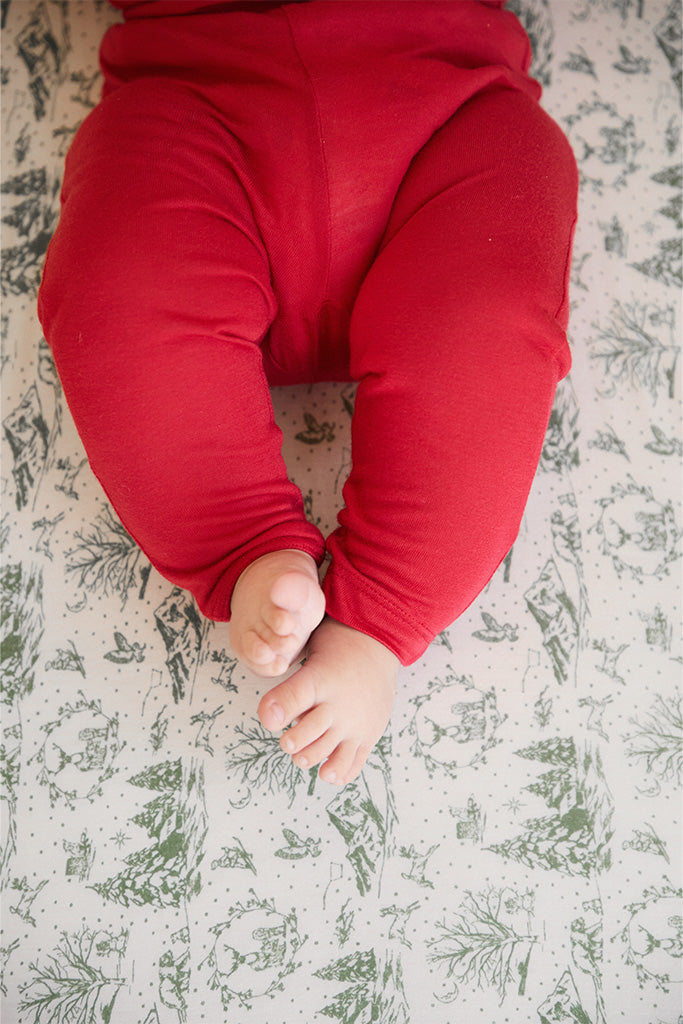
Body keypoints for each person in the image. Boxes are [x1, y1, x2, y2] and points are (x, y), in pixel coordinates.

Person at [38, 0, 578, 787]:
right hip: (193, 101)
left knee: (491, 312)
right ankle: (243, 541)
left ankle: (384, 611)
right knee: (117, 290)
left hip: (448, 104)